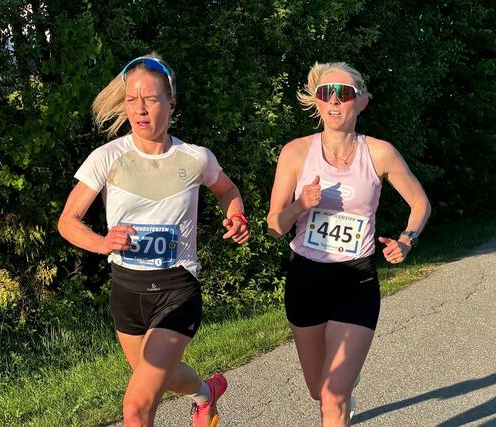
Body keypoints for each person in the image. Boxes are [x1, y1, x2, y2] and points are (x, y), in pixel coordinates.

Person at [58, 53, 249, 427]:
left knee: (136, 407)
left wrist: (236, 215)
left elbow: (228, 191)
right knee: (165, 379)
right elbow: (68, 221)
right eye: (132, 100)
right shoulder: (107, 157)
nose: (140, 109)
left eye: (151, 99)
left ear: (171, 102)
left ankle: (203, 395)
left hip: (178, 287)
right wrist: (102, 243)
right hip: (127, 290)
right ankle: (206, 394)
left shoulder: (196, 158)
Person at [267, 61, 431, 426]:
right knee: (318, 390)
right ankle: (342, 385)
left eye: (345, 94)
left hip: (355, 280)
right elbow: (275, 226)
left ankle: (341, 390)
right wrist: (300, 205)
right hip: (306, 279)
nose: (335, 102)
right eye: (327, 94)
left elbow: (420, 202)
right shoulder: (295, 153)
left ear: (362, 102)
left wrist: (406, 240)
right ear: (317, 102)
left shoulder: (379, 153)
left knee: (332, 395)